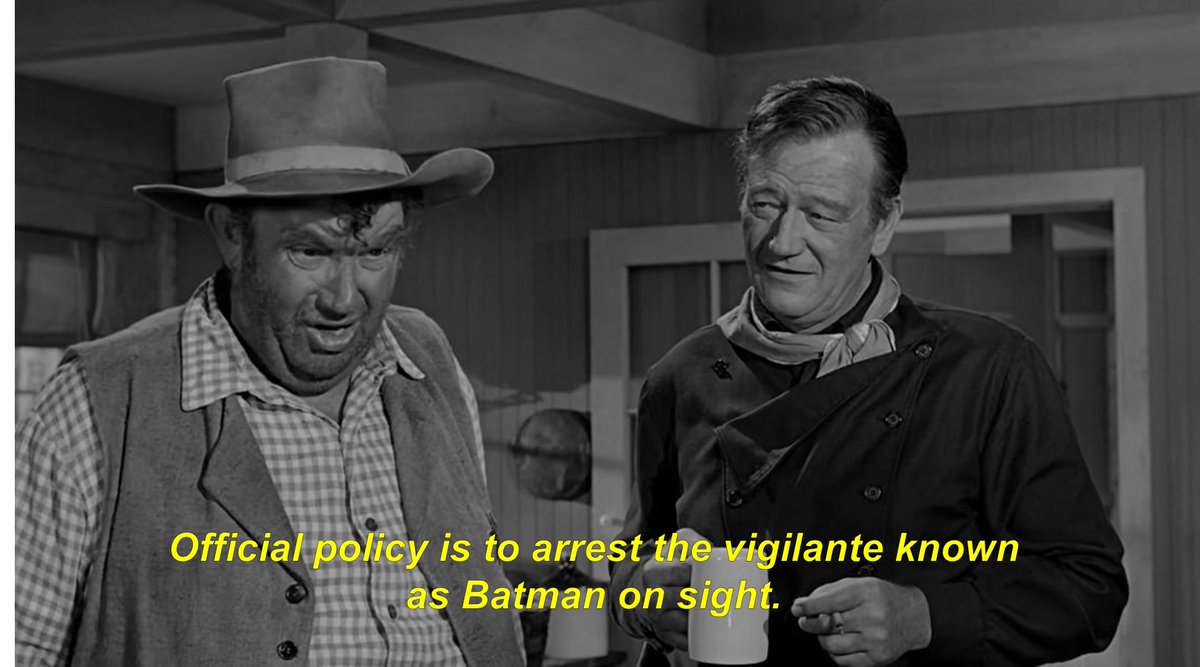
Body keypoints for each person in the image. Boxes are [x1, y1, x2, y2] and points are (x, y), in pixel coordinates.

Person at [15, 57, 523, 665]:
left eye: (376, 252)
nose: (344, 298)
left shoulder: (430, 364)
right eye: (310, 252)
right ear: (232, 235)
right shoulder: (100, 402)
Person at [609, 77, 1128, 666]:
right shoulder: (680, 375)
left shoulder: (989, 368)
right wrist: (642, 599)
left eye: (822, 213)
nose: (782, 242)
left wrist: (924, 617)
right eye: (764, 205)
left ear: (883, 224)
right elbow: (632, 557)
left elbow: (1090, 588)